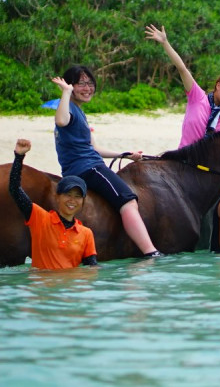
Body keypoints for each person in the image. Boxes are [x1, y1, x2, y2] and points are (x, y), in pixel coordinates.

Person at [52, 65, 163, 258]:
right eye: (81, 84)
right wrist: (66, 92)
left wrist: (124, 155)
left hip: (84, 165)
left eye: (90, 83)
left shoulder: (78, 111)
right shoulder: (68, 108)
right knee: (128, 201)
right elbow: (61, 121)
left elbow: (94, 149)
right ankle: (149, 252)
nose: (87, 88)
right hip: (88, 168)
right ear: (70, 86)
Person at [9, 138, 97, 269]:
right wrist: (19, 157)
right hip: (42, 288)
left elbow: (92, 269)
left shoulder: (86, 233)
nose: (72, 200)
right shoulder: (40, 218)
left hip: (68, 289)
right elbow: (15, 190)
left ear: (83, 202)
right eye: (68, 194)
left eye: (77, 196)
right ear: (57, 197)